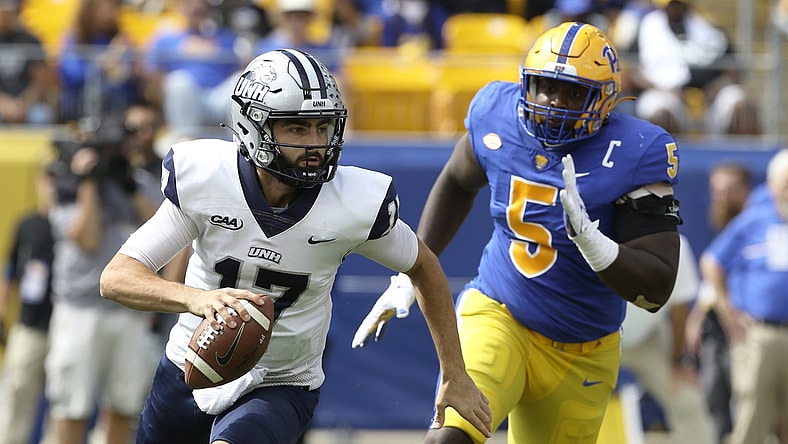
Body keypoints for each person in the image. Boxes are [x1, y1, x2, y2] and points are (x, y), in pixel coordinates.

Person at [98, 48, 492, 444]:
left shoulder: (353, 202)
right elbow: (117, 277)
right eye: (298, 129)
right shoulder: (207, 180)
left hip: (281, 381)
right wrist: (194, 299)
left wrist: (455, 373)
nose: (316, 144)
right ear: (254, 127)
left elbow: (423, 264)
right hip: (191, 364)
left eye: (323, 127)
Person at [353, 22, 683, 443]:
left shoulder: (637, 150)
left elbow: (655, 289)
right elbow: (457, 181)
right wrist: (410, 268)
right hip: (499, 313)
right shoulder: (498, 113)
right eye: (545, 86)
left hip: (583, 349)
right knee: (449, 436)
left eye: (573, 92)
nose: (555, 102)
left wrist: (594, 244)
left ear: (604, 100)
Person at [45, 115, 163, 444]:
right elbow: (87, 238)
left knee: (124, 404)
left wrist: (126, 184)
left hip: (129, 308)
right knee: (72, 405)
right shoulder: (67, 184)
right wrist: (89, 182)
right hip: (81, 308)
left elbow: (160, 231)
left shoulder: (136, 182)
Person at [699, 148, 788, 444]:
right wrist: (727, 311)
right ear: (773, 187)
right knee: (751, 414)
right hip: (759, 332)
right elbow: (712, 262)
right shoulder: (755, 221)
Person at [619, 234, 715, 443]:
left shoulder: (675, 245)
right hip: (594, 338)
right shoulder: (593, 232)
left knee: (688, 400)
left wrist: (677, 361)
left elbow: (679, 307)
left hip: (648, 338)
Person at [684, 160, 753, 444]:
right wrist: (697, 318)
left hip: (749, 327)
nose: (721, 197)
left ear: (745, 191)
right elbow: (713, 278)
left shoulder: (758, 225)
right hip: (719, 331)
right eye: (717, 190)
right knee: (714, 402)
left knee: (749, 406)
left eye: (728, 190)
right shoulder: (726, 230)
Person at [631, 0, 760, 135]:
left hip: (711, 99)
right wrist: (659, 88)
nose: (676, 7)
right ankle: (671, 154)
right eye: (672, 4)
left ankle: (737, 155)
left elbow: (733, 67)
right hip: (667, 93)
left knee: (740, 101)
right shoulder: (648, 27)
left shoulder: (707, 26)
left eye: (679, 3)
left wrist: (719, 85)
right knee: (657, 107)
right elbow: (631, 69)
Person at [0, 163, 56, 444]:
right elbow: (9, 270)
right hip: (30, 323)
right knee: (17, 392)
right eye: (49, 178)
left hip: (66, 323)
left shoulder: (77, 222)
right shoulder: (28, 223)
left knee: (61, 402)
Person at [142, 0, 240, 140]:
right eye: (189, 3)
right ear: (180, 7)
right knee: (178, 82)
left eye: (201, 3)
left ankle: (240, 143)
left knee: (238, 81)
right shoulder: (166, 38)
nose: (196, 7)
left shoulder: (224, 37)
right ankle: (185, 140)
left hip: (219, 97)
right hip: (186, 98)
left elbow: (235, 69)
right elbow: (151, 72)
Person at [57, 0, 141, 124]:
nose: (111, 11)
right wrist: (104, 63)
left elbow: (127, 79)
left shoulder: (118, 37)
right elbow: (72, 75)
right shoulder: (74, 39)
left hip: (119, 109)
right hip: (80, 105)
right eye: (106, 6)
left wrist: (134, 66)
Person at [0, 0, 53, 125]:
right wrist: (4, 104)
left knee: (40, 117)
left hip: (28, 103)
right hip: (2, 102)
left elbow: (40, 82)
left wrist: (23, 105)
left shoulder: (31, 40)